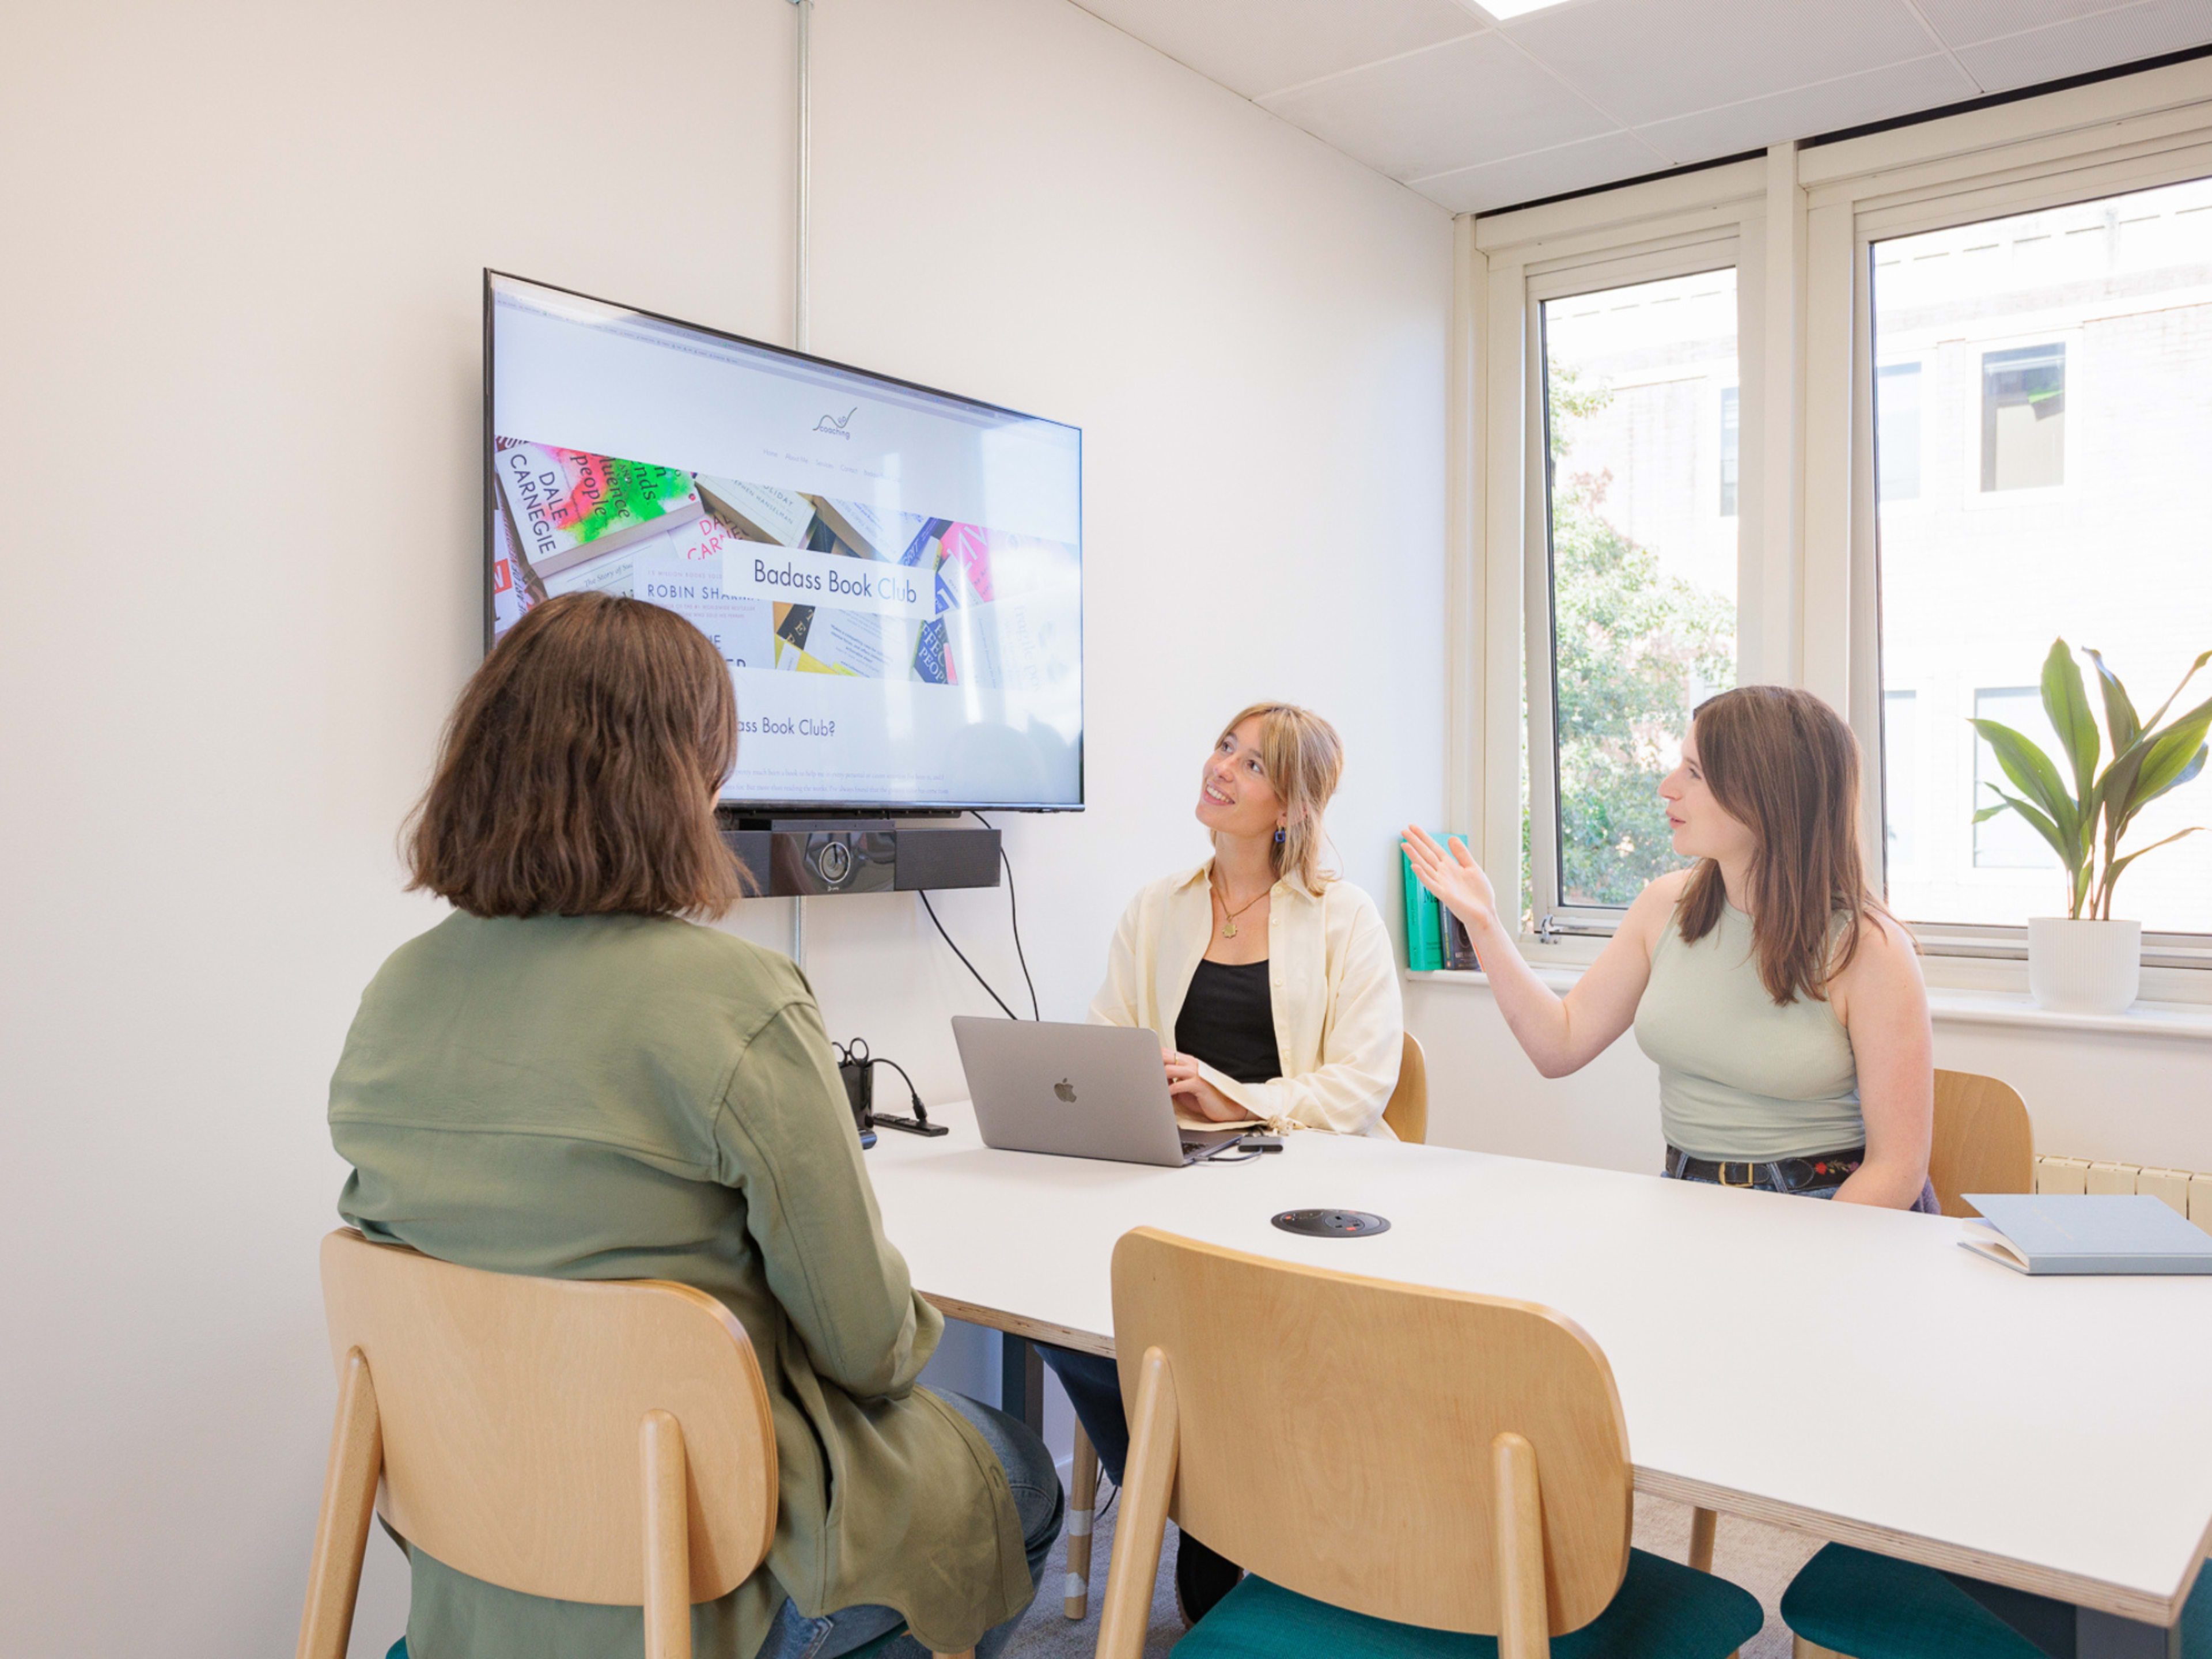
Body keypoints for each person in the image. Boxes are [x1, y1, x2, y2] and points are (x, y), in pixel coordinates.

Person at [328, 592, 1061, 1659]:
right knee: (1018, 1472)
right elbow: (869, 1347)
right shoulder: (737, 997)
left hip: (482, 1560)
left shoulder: (398, 992)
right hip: (704, 1579)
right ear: (683, 777)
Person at [1041, 700, 1405, 1623]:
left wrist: (1234, 1095)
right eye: (1224, 748)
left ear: (1291, 805)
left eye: (1252, 765)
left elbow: (1361, 1083)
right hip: (1178, 1176)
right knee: (1056, 1305)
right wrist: (1146, 1090)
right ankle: (1194, 1486)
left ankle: (1213, 1526)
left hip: (1308, 1191)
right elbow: (1109, 1041)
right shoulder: (1157, 907)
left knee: (1228, 1333)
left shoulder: (1343, 916)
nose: (1223, 769)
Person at [1403, 684, 1936, 1211]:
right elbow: (1558, 1046)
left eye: (1695, 772)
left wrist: (1797, 1263)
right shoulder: (1666, 907)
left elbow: (1898, 1169)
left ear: (1769, 794)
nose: (1667, 787)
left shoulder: (1871, 950)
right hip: (1685, 1194)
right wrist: (1485, 923)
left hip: (1829, 1207)